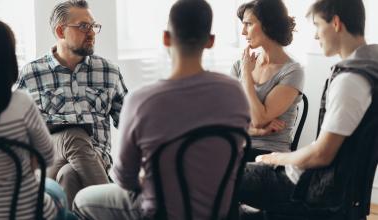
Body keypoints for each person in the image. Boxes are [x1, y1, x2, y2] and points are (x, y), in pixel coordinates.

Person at [72, 0, 250, 219]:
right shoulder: (235, 92)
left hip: (160, 212)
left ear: (166, 38)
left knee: (81, 200)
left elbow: (124, 179)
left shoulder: (142, 100)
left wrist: (147, 178)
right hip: (219, 211)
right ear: (210, 41)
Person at [237, 0, 378, 217]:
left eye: (317, 25)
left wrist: (276, 158)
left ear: (336, 23)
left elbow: (322, 154)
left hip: (300, 186)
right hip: (316, 183)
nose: (315, 35)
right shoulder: (369, 69)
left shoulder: (350, 80)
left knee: (218, 178)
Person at [0, 17, 72, 219]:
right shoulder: (21, 103)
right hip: (28, 212)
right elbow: (48, 156)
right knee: (55, 190)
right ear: (7, 59)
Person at [16, 0, 128, 206]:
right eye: (84, 26)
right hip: (49, 160)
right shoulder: (31, 73)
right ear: (60, 31)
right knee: (73, 136)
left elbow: (129, 123)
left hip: (96, 160)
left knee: (69, 175)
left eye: (93, 26)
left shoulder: (109, 71)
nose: (92, 32)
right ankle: (117, 206)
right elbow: (19, 131)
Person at [231, 0, 305, 161]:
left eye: (248, 24)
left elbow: (258, 119)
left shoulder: (292, 71)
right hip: (236, 149)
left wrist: (246, 77)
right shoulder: (240, 65)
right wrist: (257, 132)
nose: (243, 32)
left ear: (268, 25)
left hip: (269, 156)